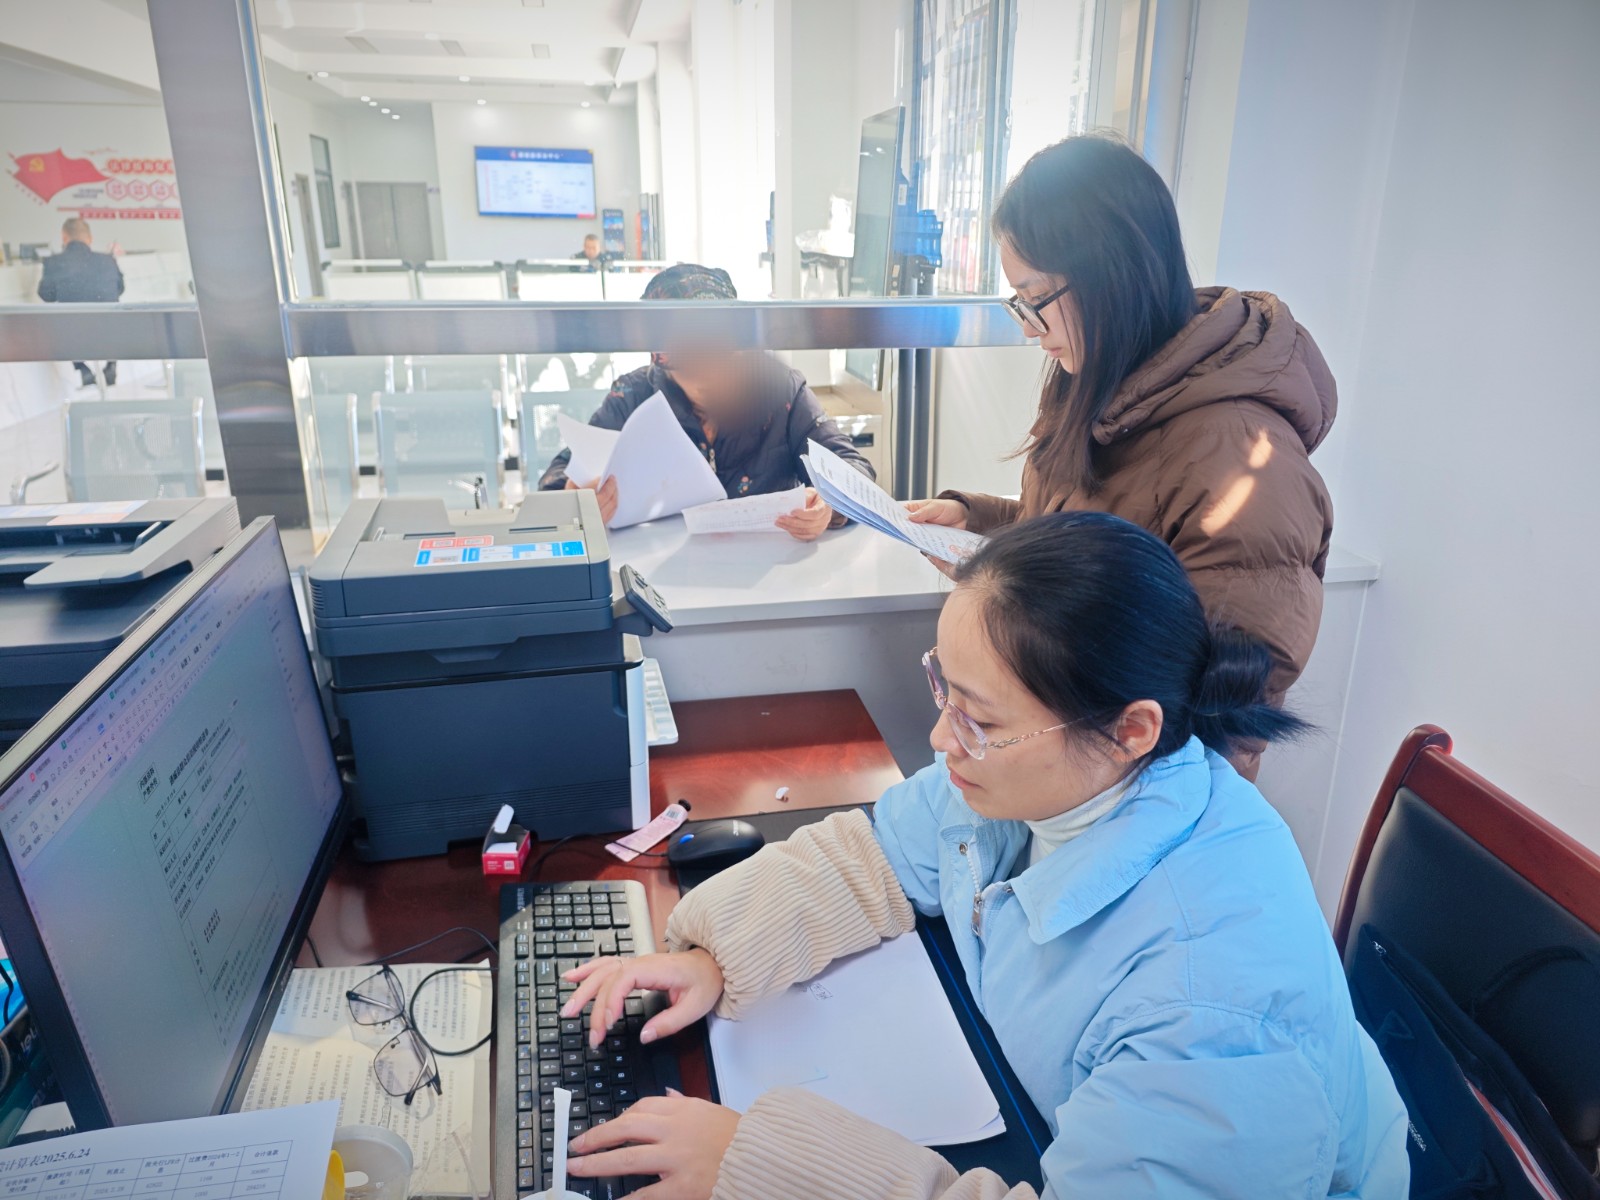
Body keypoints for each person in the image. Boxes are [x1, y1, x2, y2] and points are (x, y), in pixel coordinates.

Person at [558, 511, 1410, 1199]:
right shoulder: (1051, 780)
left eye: (981, 719)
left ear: (1130, 730)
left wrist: (759, 1167)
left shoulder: (1215, 1017)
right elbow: (881, 853)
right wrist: (716, 955)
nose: (941, 739)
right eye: (946, 690)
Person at [907, 135, 1335, 778]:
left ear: (1112, 275)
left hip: (1137, 790)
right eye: (1018, 302)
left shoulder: (1244, 460)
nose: (1027, 326)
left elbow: (1220, 704)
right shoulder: (1104, 383)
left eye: (1035, 299)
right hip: (1067, 766)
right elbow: (1083, 538)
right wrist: (979, 523)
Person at [539, 263, 874, 541]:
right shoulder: (632, 396)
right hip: (660, 577)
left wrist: (830, 504)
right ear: (663, 363)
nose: (711, 373)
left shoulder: (779, 389)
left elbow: (852, 467)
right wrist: (576, 502)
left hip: (770, 573)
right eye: (692, 363)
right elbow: (558, 478)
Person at [37, 217, 124, 387]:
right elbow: (119, 289)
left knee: (63, 321)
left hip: (73, 335)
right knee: (109, 318)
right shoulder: (108, 260)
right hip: (110, 333)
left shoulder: (53, 262)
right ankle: (111, 364)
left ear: (64, 238)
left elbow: (46, 295)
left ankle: (82, 368)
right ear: (90, 238)